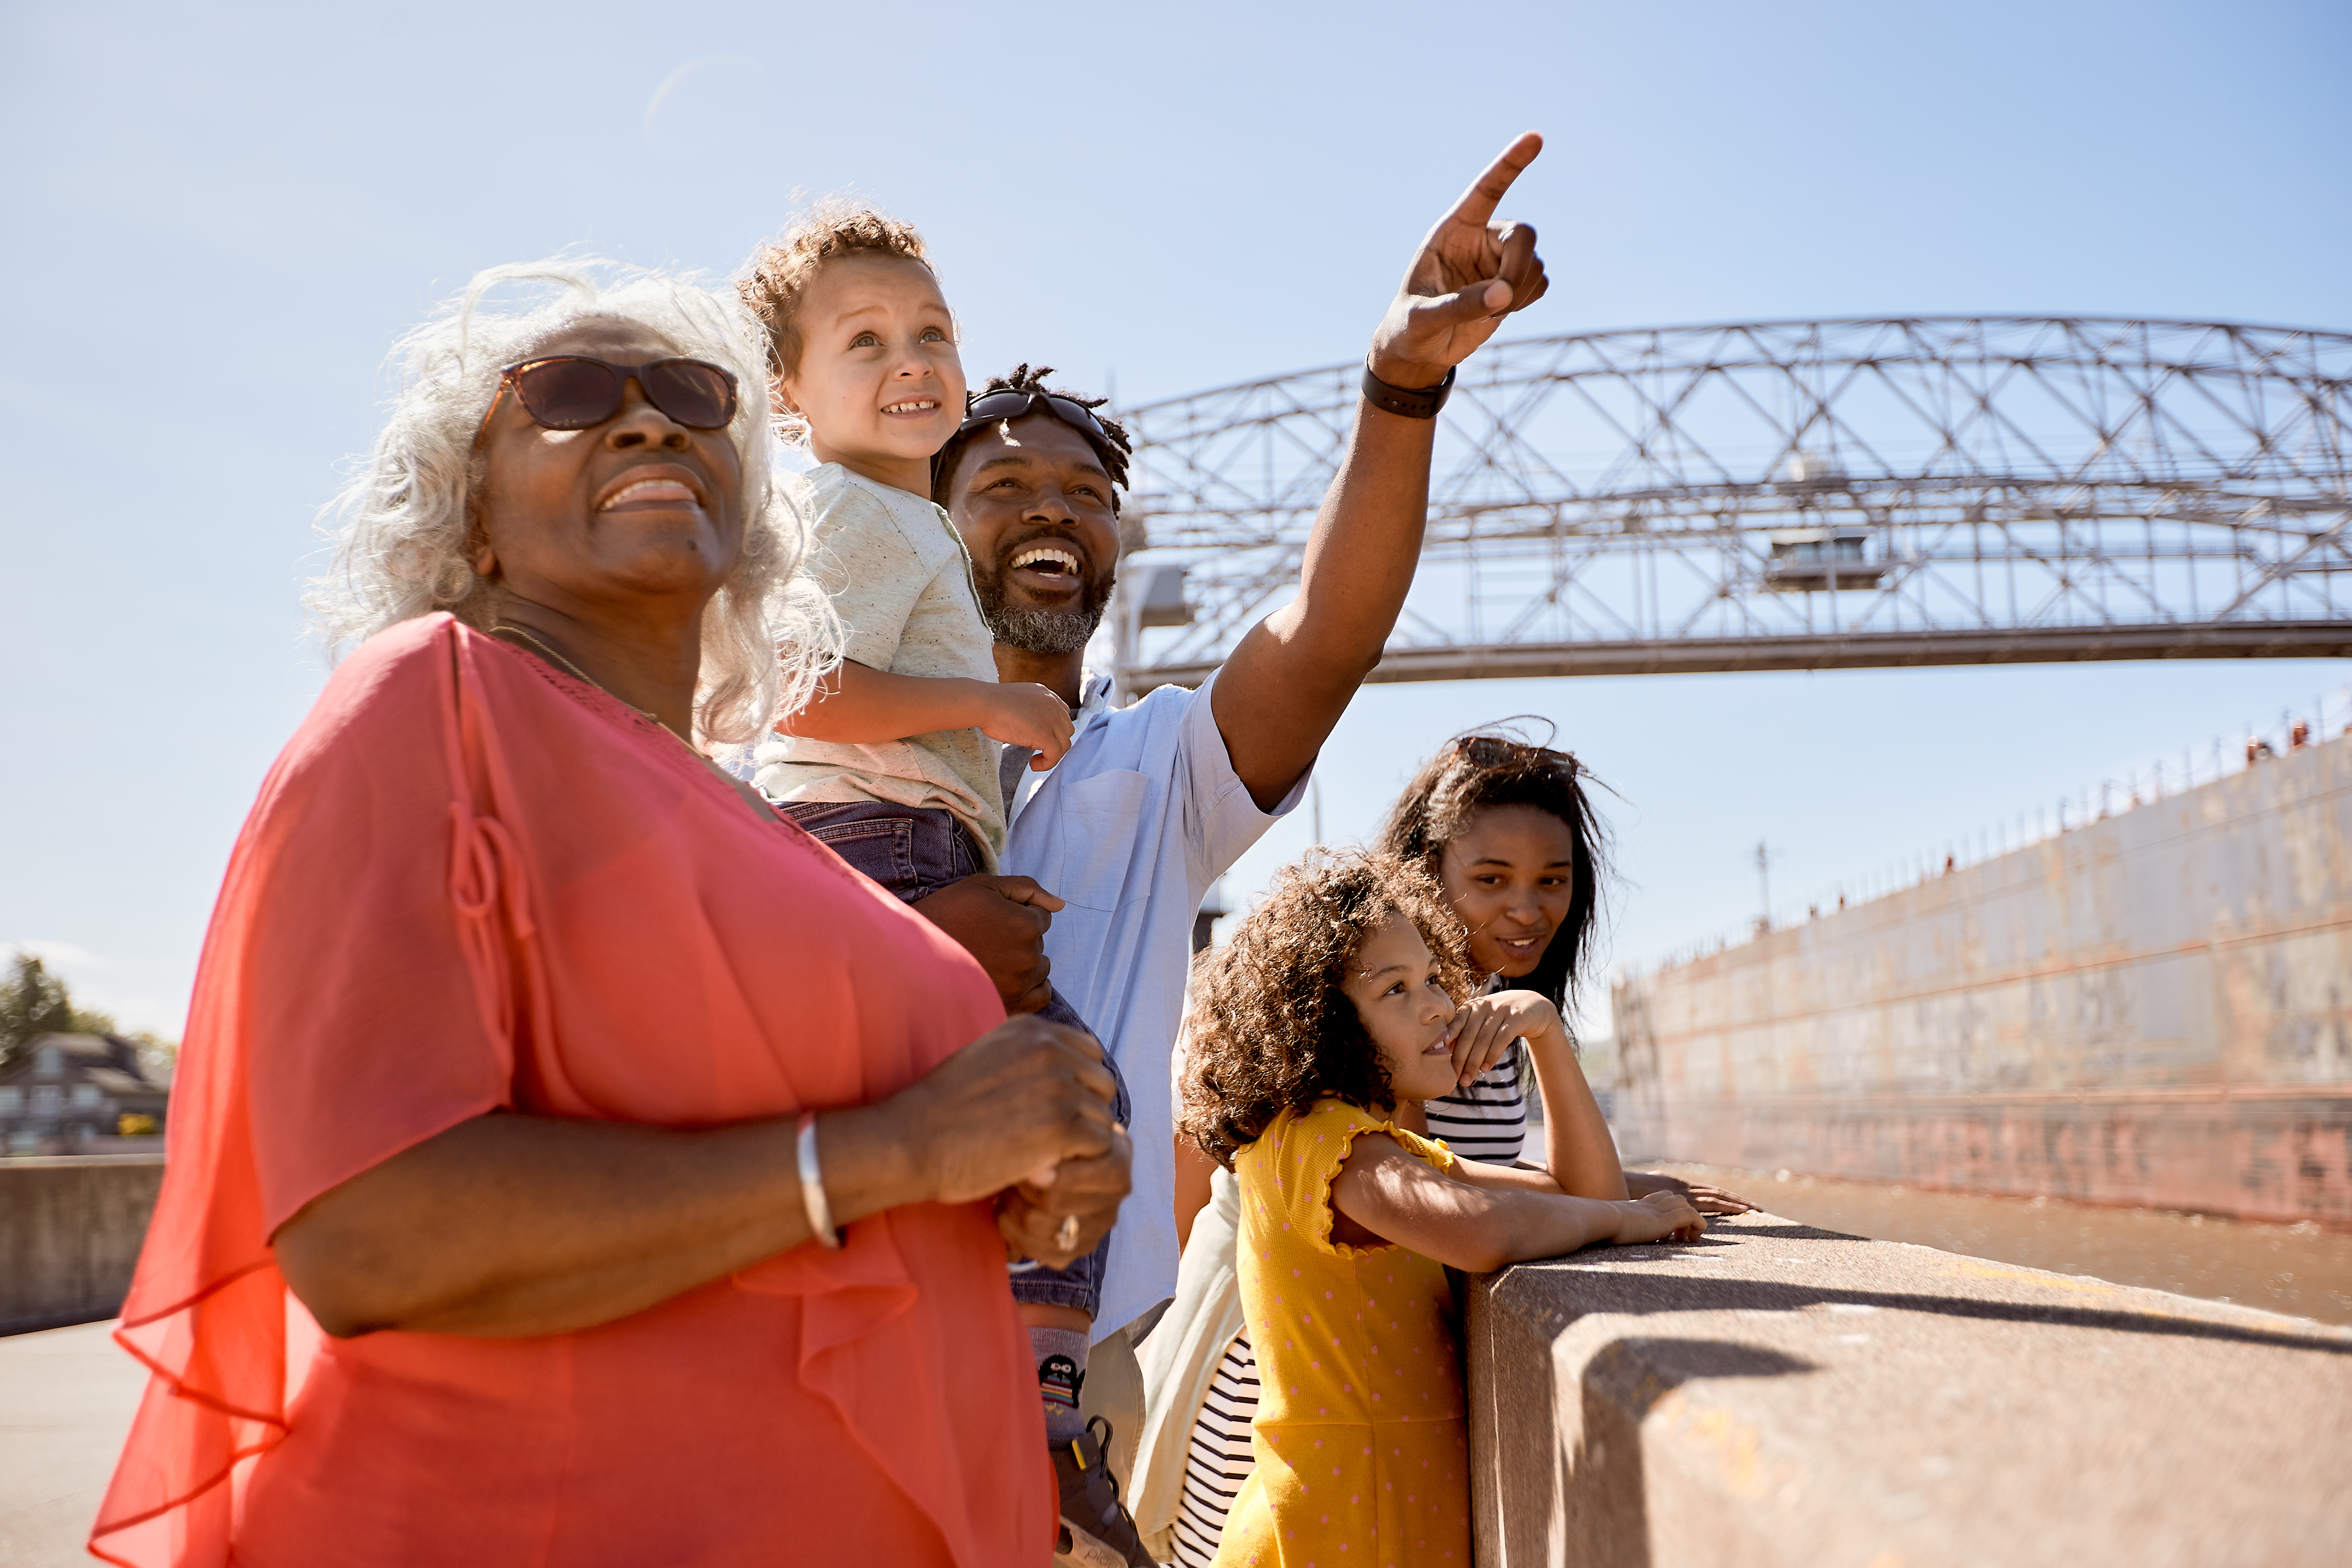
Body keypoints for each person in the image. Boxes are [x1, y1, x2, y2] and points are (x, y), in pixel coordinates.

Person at [90, 261, 1129, 1568]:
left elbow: (850, 1160)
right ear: (474, 522)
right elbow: (369, 1231)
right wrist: (898, 1155)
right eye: (570, 395)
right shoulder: (441, 701)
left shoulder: (752, 817)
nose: (646, 422)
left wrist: (1019, 1181)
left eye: (694, 399)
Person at [913, 142, 1558, 1513]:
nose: (1055, 511)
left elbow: (1326, 635)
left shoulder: (1150, 770)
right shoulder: (830, 762)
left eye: (1089, 496)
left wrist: (1403, 387)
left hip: (1075, 1384)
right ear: (923, 534)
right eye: (1005, 489)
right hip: (851, 1340)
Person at [733, 206, 1140, 1563]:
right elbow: (812, 692)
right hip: (888, 848)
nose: (914, 361)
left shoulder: (852, 517)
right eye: (866, 343)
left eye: (932, 333)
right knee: (1076, 1100)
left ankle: (1002, 1391)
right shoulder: (866, 514)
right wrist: (993, 703)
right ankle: (1042, 1406)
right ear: (788, 391)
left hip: (857, 848)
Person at [1136, 727, 1755, 1564]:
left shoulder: (1461, 1029)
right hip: (1285, 1393)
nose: (1527, 907)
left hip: (1377, 1438)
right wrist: (1618, 1215)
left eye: (1552, 880)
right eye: (1491, 878)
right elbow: (1468, 1212)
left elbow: (1493, 1184)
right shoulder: (1351, 1108)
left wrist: (1552, 1051)